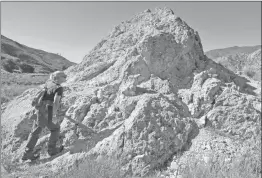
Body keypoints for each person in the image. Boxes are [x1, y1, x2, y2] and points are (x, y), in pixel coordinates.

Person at [22, 71, 67, 161]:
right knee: (55, 129)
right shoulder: (59, 88)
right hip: (49, 111)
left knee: (35, 131)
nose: (66, 78)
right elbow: (56, 101)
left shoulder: (49, 82)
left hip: (40, 109)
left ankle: (27, 153)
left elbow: (44, 91)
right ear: (58, 78)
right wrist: (54, 114)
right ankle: (52, 150)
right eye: (64, 76)